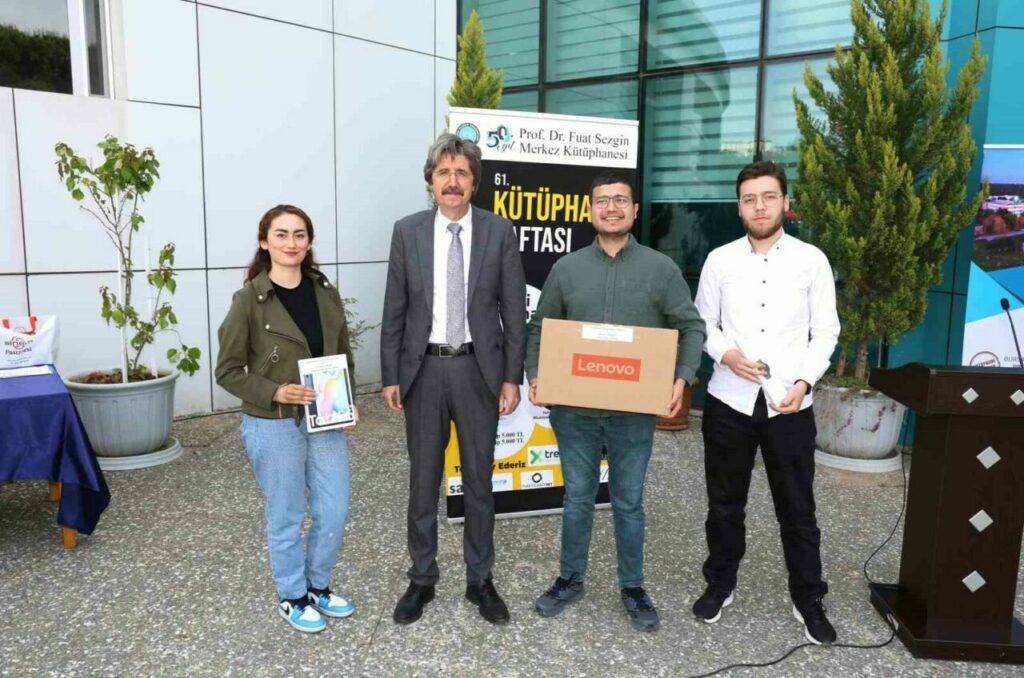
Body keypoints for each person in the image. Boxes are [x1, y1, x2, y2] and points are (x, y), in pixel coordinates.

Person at [525, 170, 707, 632]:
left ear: (635, 210)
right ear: (590, 211)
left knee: (628, 503)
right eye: (603, 200)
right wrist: (536, 373)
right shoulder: (567, 268)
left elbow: (690, 327)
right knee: (577, 498)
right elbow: (540, 327)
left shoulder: (660, 269)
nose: (611, 208)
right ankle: (570, 579)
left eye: (621, 200)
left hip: (633, 414)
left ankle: (633, 586)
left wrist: (682, 377)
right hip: (575, 413)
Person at [380, 133, 526, 625]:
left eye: (462, 173)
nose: (452, 181)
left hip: (477, 372)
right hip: (422, 371)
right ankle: (422, 579)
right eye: (444, 172)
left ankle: (479, 579)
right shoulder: (407, 232)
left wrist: (511, 378)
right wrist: (390, 374)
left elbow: (514, 312)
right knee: (423, 481)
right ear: (431, 181)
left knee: (479, 481)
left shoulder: (499, 232)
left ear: (474, 183)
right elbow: (395, 309)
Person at [692, 161, 841, 644]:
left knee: (797, 509)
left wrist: (805, 381)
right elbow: (702, 323)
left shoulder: (811, 261)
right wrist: (727, 354)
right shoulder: (719, 261)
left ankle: (808, 597)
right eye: (750, 199)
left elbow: (826, 331)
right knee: (724, 504)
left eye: (769, 196)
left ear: (785, 202)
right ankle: (720, 583)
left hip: (789, 403)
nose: (759, 206)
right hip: (728, 401)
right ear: (739, 207)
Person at [215, 204, 358, 634]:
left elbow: (342, 353)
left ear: (309, 242)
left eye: (299, 235)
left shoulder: (325, 292)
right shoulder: (249, 301)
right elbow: (227, 371)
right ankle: (292, 595)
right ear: (265, 242)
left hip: (324, 416)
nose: (291, 243)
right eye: (281, 234)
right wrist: (274, 391)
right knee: (287, 513)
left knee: (334, 508)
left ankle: (318, 587)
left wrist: (347, 401)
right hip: (273, 422)